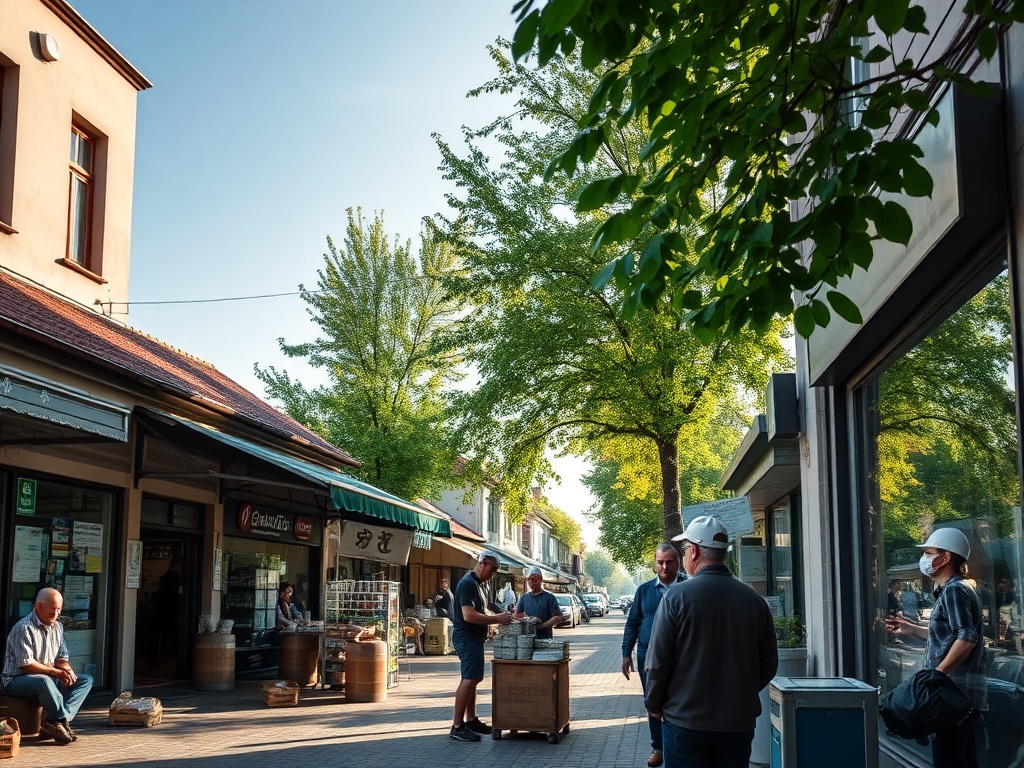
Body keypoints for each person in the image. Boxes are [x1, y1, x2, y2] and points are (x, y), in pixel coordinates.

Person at [645, 516, 778, 768]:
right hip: (737, 724)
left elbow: (656, 663)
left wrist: (655, 706)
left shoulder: (676, 598)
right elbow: (769, 663)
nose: (683, 557)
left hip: (685, 722)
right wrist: (739, 693)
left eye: (683, 550)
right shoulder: (754, 601)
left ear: (693, 551)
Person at [886, 528, 987, 768]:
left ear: (945, 557)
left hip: (952, 695)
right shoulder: (957, 589)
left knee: (948, 759)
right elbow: (952, 635)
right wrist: (911, 629)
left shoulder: (954, 590)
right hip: (958, 694)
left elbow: (967, 638)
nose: (925, 559)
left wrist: (937, 676)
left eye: (929, 553)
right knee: (962, 759)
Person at [1, 588, 93, 745]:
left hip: (49, 677)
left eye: (59, 609)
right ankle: (61, 721)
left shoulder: (58, 627)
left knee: (85, 680)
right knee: (44, 681)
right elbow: (26, 666)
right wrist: (56, 673)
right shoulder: (23, 628)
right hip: (16, 680)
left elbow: (62, 658)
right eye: (53, 609)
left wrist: (68, 671)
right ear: (39, 605)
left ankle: (56, 720)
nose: (56, 613)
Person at [622, 542, 684, 768]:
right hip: (648, 657)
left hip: (681, 659)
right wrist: (626, 653)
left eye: (669, 562)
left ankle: (677, 747)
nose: (665, 566)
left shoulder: (688, 587)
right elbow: (633, 624)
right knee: (653, 702)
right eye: (661, 562)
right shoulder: (644, 591)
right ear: (655, 564)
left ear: (678, 562)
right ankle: (658, 748)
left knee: (679, 701)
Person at [449, 550, 512, 742]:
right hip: (466, 637)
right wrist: (496, 619)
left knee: (473, 679)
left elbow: (486, 607)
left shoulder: (480, 584)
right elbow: (468, 615)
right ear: (482, 564)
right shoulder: (468, 583)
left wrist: (504, 615)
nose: (493, 574)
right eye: (492, 570)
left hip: (474, 638)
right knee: (470, 679)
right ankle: (457, 725)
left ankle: (471, 719)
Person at [514, 566, 562, 639]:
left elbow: (558, 617)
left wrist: (542, 626)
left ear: (541, 580)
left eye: (536, 579)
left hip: (545, 637)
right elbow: (518, 616)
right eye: (531, 579)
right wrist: (530, 620)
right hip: (528, 638)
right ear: (527, 581)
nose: (533, 583)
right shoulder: (524, 598)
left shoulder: (549, 597)